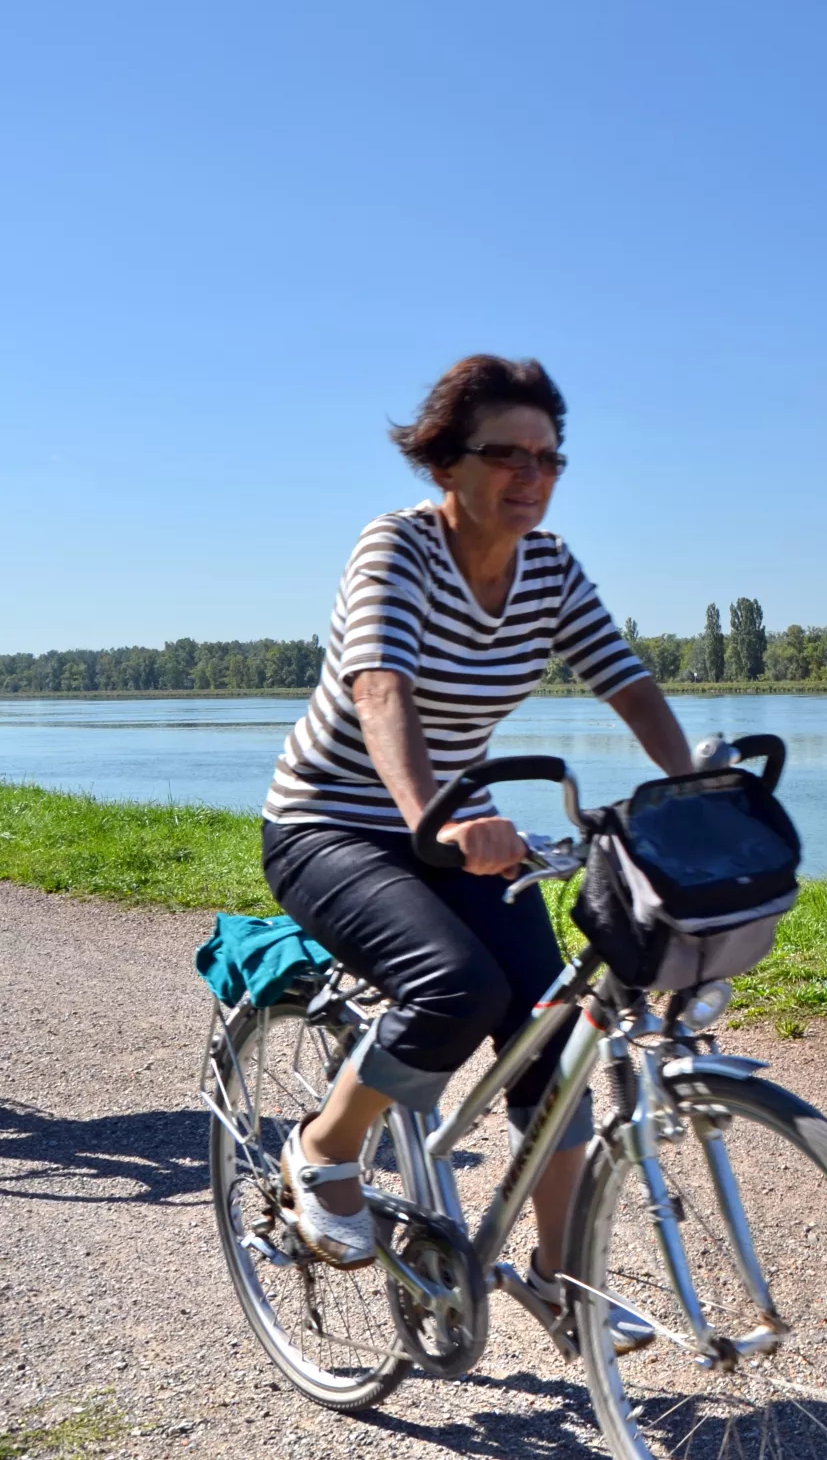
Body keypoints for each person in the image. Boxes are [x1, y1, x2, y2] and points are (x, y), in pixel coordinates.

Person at [260, 354, 687, 1348]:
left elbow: (622, 678)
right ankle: (323, 1151)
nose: (529, 477)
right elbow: (380, 686)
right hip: (332, 824)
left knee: (558, 1035)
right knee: (457, 990)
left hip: (465, 839)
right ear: (448, 462)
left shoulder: (550, 567)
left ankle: (557, 1276)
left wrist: (689, 786)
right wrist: (435, 816)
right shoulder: (395, 549)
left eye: (548, 457)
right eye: (506, 454)